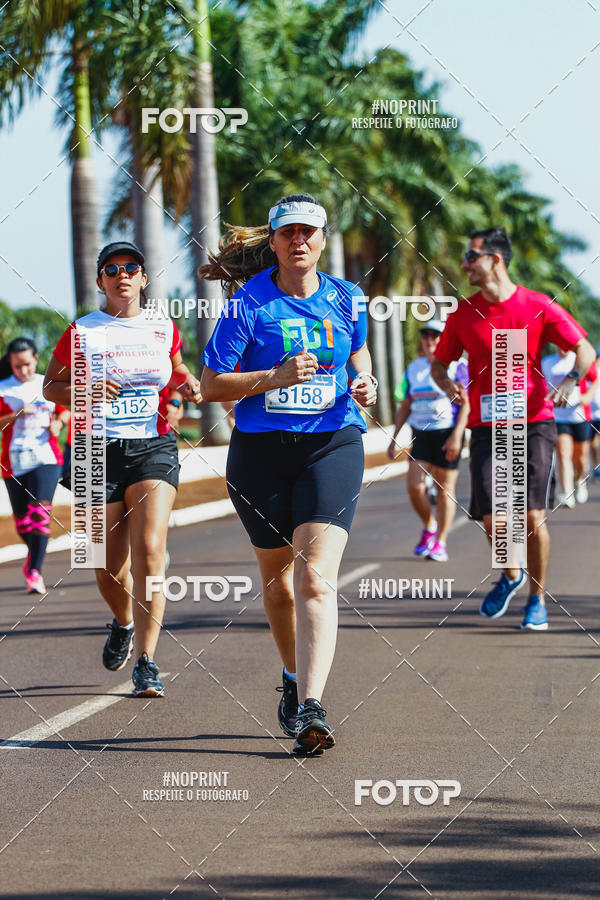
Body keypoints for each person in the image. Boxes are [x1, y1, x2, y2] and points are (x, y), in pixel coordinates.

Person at [199, 194, 377, 755]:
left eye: (309, 232)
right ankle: (293, 679)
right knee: (278, 585)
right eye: (288, 233)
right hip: (260, 454)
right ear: (273, 242)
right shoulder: (245, 306)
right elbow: (211, 386)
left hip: (333, 443)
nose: (299, 240)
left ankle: (312, 708)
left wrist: (366, 381)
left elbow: (361, 355)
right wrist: (273, 377)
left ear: (323, 240)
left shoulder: (349, 298)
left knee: (315, 579)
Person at [43, 241, 201, 696]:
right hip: (95, 452)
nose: (122, 274)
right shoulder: (82, 331)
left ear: (144, 278)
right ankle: (123, 621)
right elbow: (52, 386)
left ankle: (147, 661)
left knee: (150, 550)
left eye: (131, 267)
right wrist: (86, 387)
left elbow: (175, 367)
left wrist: (187, 380)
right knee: (106, 568)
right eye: (111, 269)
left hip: (152, 446)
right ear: (100, 282)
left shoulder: (161, 326)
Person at [431, 227, 595, 631]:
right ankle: (511, 575)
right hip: (486, 426)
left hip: (534, 420)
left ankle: (537, 599)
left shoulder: (537, 305)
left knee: (531, 515)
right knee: (494, 520)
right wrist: (446, 383)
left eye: (471, 257)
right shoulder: (463, 314)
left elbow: (585, 350)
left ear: (495, 260)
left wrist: (573, 380)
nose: (465, 264)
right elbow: (439, 363)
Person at [387, 320, 469, 562]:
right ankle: (430, 525)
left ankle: (441, 542)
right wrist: (394, 438)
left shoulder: (457, 366)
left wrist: (457, 436)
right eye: (426, 336)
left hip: (447, 433)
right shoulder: (414, 367)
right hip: (421, 433)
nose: (430, 340)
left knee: (445, 490)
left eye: (436, 336)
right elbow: (407, 404)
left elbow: (466, 405)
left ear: (444, 340)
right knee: (414, 486)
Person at [0, 337, 69, 593]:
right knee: (22, 522)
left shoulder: (48, 383)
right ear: (11, 364)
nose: (23, 371)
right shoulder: (3, 388)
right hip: (14, 460)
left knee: (40, 514)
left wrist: (59, 423)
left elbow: (65, 409)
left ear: (36, 359)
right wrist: (15, 415)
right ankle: (34, 554)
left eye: (27, 365)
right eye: (17, 367)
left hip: (47, 457)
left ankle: (34, 572)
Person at [542, 347, 597, 506]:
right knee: (563, 453)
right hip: (558, 415)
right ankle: (567, 493)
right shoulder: (547, 362)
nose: (562, 348)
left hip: (580, 415)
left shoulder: (580, 359)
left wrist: (588, 395)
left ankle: (579, 480)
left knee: (580, 458)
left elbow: (595, 379)